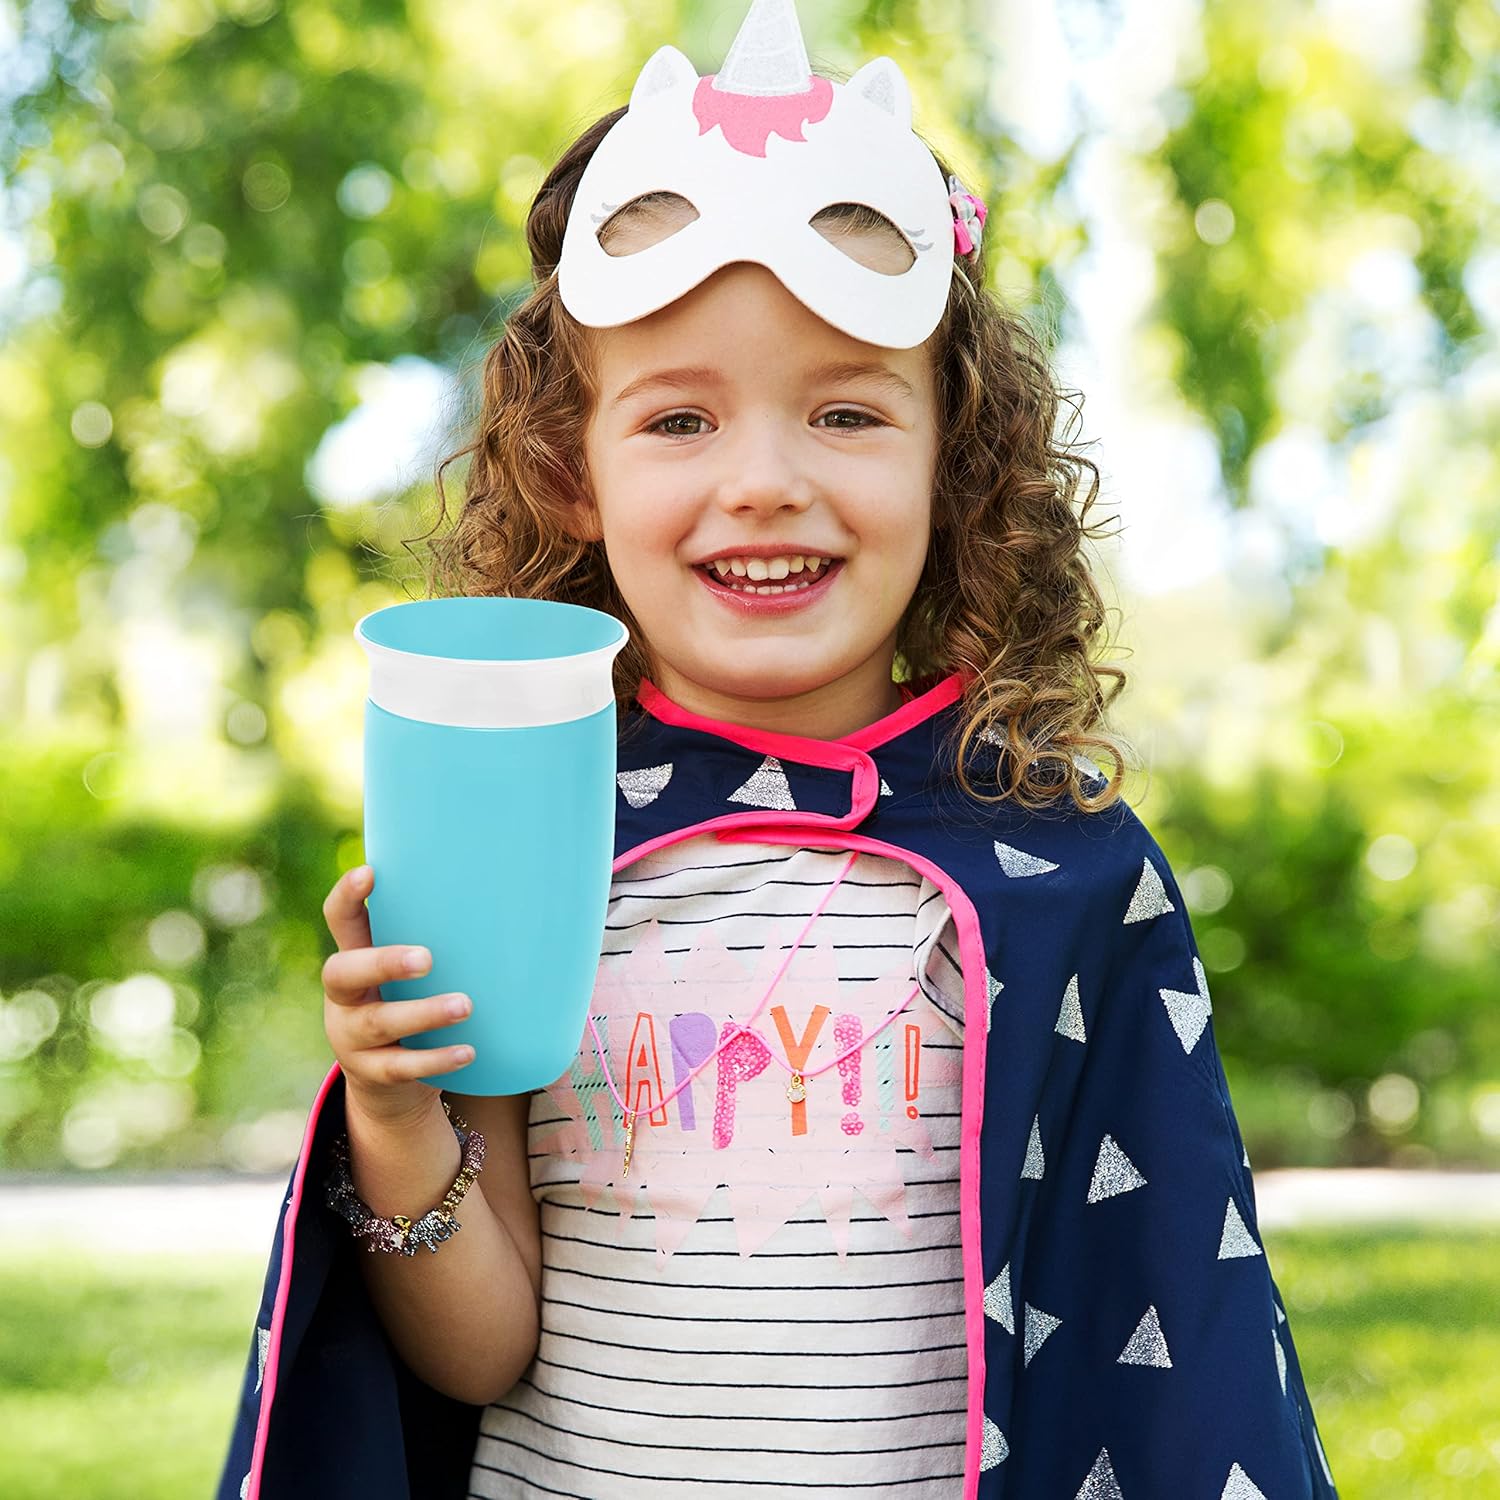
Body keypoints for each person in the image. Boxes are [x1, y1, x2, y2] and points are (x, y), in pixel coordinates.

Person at [218, 3, 1339, 1497]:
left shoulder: (1060, 868)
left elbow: (1159, 1323)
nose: (764, 482)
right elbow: (481, 1352)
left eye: (845, 414)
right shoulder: (535, 836)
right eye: (680, 418)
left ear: (956, 464)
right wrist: (398, 1116)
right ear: (570, 471)